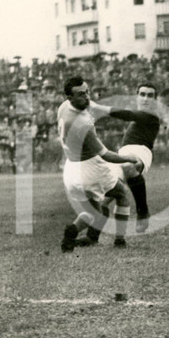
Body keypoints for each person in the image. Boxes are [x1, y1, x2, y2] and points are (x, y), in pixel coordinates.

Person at [57, 76, 141, 252]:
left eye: (87, 91)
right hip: (89, 168)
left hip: (71, 170)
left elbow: (99, 108)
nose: (87, 97)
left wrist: (128, 114)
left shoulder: (64, 107)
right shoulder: (82, 123)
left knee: (98, 213)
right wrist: (130, 158)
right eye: (81, 94)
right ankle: (120, 241)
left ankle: (72, 231)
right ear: (70, 97)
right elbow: (107, 155)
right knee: (122, 193)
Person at [84, 82, 168, 239]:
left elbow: (127, 114)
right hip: (122, 154)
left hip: (141, 152)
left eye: (150, 95)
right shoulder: (139, 117)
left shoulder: (151, 116)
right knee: (105, 196)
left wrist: (98, 107)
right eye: (142, 94)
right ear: (137, 96)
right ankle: (92, 236)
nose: (145, 98)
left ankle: (143, 211)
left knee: (130, 166)